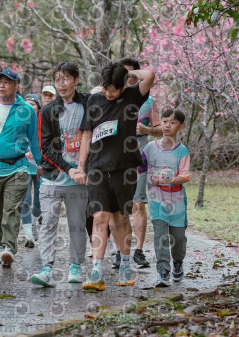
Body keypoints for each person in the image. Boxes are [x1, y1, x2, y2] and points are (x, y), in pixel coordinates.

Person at [77, 61, 154, 291]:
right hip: (97, 167)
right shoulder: (94, 100)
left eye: (113, 89)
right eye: (105, 88)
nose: (108, 93)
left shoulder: (132, 97)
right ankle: (96, 271)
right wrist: (81, 166)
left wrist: (128, 74)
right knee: (100, 217)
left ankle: (125, 266)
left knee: (120, 218)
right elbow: (86, 134)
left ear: (123, 86)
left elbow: (149, 75)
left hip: (125, 168)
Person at [30, 62, 90, 287]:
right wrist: (68, 168)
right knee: (48, 223)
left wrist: (82, 169)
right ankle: (46, 269)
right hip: (53, 177)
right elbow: (45, 147)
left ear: (76, 80)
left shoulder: (88, 104)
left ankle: (76, 266)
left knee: (77, 224)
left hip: (80, 179)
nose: (61, 84)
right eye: (57, 80)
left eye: (66, 78)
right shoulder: (47, 111)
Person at [0, 68, 41, 267]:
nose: (2, 85)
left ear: (17, 86)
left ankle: (8, 248)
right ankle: (0, 246)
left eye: (7, 82)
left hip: (18, 167)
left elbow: (34, 139)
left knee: (11, 209)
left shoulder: (26, 110)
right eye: (0, 81)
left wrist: (40, 163)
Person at [114, 57, 163, 269]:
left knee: (138, 204)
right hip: (115, 161)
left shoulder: (149, 102)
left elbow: (161, 129)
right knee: (118, 208)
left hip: (139, 160)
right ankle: (119, 251)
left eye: (131, 74)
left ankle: (139, 251)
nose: (127, 78)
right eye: (123, 73)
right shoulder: (112, 98)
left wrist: (147, 130)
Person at [139, 108, 189, 286]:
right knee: (160, 236)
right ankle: (163, 271)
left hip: (177, 203)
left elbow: (185, 176)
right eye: (165, 121)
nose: (168, 125)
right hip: (156, 202)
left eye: (173, 122)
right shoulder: (150, 148)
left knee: (178, 238)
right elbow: (140, 169)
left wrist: (165, 180)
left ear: (180, 127)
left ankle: (178, 262)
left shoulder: (182, 151)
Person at [21, 93, 42, 248]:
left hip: (41, 167)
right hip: (24, 166)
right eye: (26, 104)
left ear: (38, 107)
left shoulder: (44, 122)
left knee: (39, 202)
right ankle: (28, 233)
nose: (30, 106)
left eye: (33, 104)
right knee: (25, 200)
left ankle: (34, 224)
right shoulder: (19, 121)